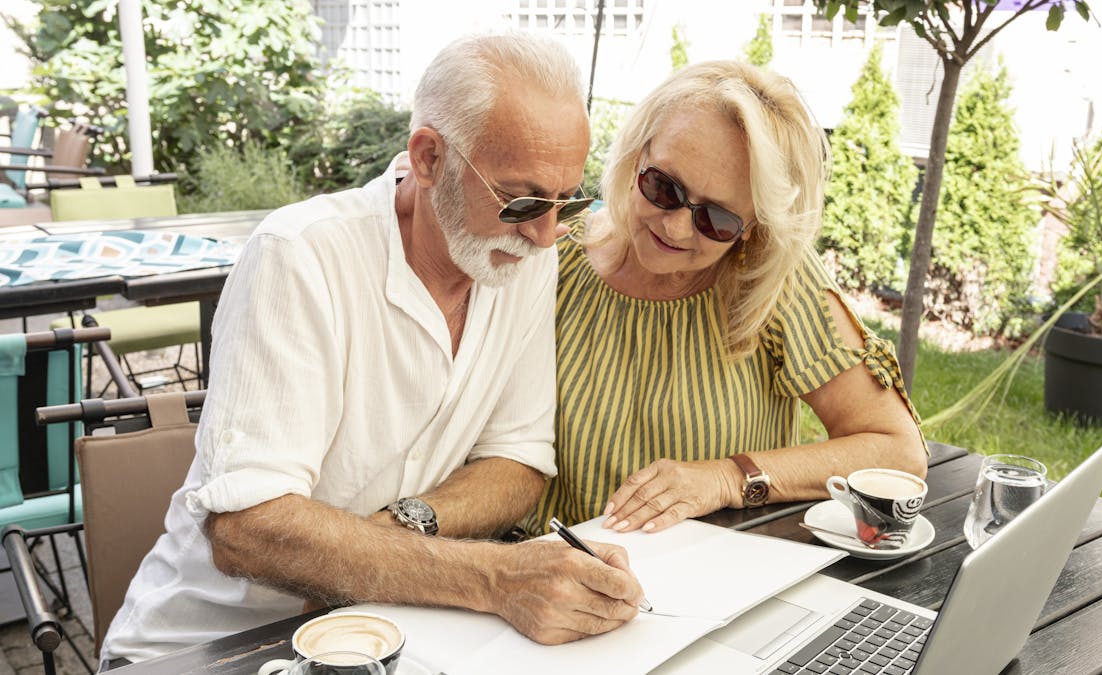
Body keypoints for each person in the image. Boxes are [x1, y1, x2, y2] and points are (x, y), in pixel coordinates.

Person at [100, 33, 644, 666]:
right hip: (212, 648)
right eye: (521, 200)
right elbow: (246, 528)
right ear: (430, 157)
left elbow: (518, 461)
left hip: (388, 629)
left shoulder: (520, 256)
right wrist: (494, 579)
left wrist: (391, 534)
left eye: (565, 200)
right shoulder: (301, 255)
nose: (546, 235)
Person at [526, 61, 927, 535]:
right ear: (638, 155)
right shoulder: (551, 254)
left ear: (753, 228)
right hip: (550, 570)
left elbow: (897, 450)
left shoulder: (771, 276)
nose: (673, 226)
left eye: (716, 219)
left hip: (716, 580)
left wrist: (728, 477)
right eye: (664, 188)